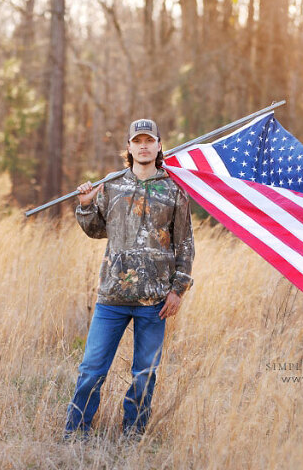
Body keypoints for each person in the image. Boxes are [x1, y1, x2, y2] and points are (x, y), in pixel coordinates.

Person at [64, 118, 195, 440]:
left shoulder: (174, 190)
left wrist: (177, 290)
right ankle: (75, 431)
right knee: (91, 369)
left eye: (150, 140)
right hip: (112, 298)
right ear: (129, 147)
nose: (144, 145)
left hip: (154, 300)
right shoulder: (112, 185)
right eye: (138, 141)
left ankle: (133, 432)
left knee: (144, 374)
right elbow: (96, 231)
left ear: (160, 145)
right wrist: (85, 206)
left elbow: (186, 243)